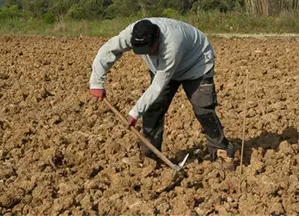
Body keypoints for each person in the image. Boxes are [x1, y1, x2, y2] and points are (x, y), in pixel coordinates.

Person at [89, 17, 236, 163]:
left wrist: (134, 113)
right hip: (162, 67)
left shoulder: (172, 43)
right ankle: (149, 155)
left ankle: (220, 150)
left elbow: (158, 85)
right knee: (153, 109)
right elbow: (108, 49)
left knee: (203, 109)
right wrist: (96, 82)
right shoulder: (133, 33)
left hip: (196, 64)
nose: (147, 53)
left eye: (149, 49)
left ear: (157, 38)